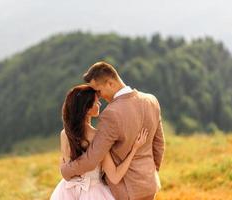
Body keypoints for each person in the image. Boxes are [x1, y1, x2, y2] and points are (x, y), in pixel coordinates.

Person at [61, 61, 165, 200]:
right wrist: (151, 172)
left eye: (99, 91)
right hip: (149, 184)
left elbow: (92, 159)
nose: (99, 97)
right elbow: (159, 145)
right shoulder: (151, 100)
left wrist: (66, 171)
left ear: (110, 83)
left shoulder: (111, 113)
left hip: (126, 190)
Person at [50, 84, 149, 200]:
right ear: (86, 109)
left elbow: (68, 170)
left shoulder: (65, 134)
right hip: (94, 193)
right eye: (96, 102)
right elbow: (115, 176)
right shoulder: (98, 137)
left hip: (67, 191)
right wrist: (134, 149)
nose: (100, 104)